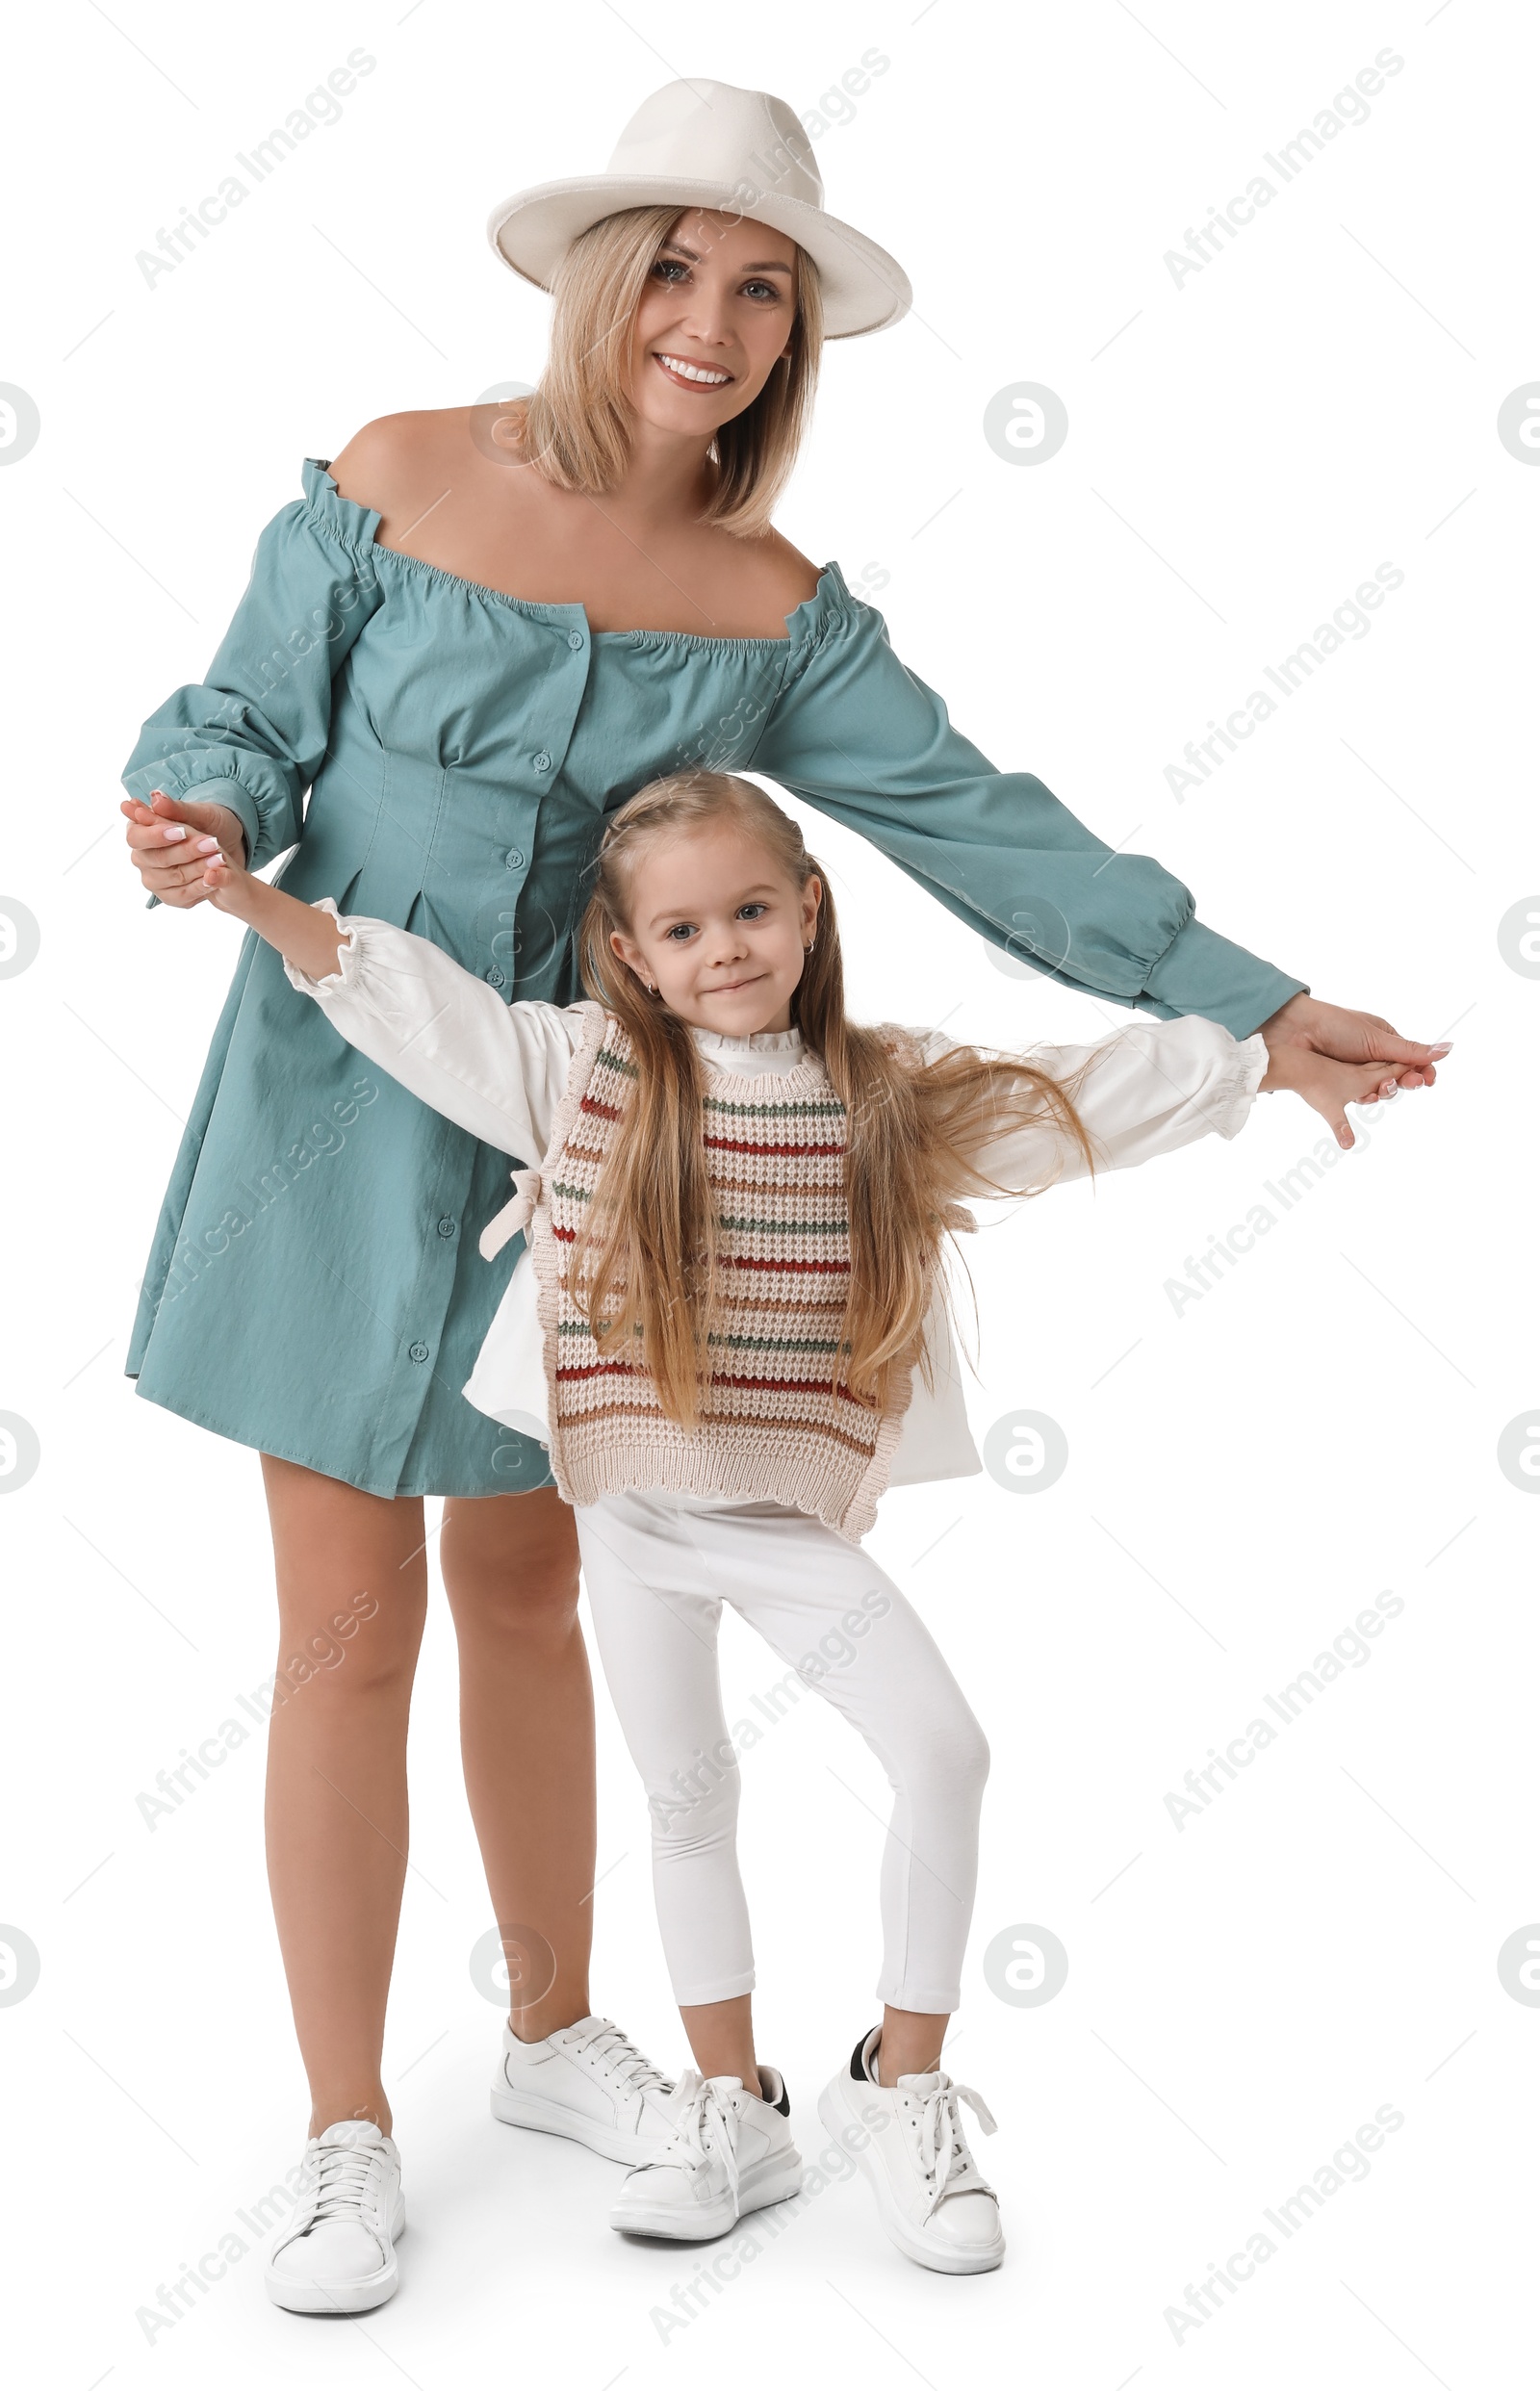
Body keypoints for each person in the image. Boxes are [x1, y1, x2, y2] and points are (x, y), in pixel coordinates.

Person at [117, 79, 1445, 2310]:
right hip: (339, 1098)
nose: (709, 319)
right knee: (346, 1632)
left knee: (535, 1598)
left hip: (603, 1157)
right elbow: (247, 717)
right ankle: (346, 2131)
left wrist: (1248, 1000)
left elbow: (981, 824)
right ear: (586, 271)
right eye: (673, 262)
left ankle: (549, 2035)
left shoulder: (772, 607)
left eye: (760, 288)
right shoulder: (394, 475)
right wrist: (194, 804)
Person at [193, 766, 1416, 2275]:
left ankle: (904, 2089)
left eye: (754, 909)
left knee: (945, 1754)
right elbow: (424, 1011)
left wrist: (1261, 1066)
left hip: (786, 1526)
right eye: (687, 928)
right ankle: (733, 2106)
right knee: (690, 1805)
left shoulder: (879, 1099)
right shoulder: (582, 1076)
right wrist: (256, 900)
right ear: (632, 956)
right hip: (635, 1522)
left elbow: (1066, 1105)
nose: (727, 949)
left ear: (811, 909)